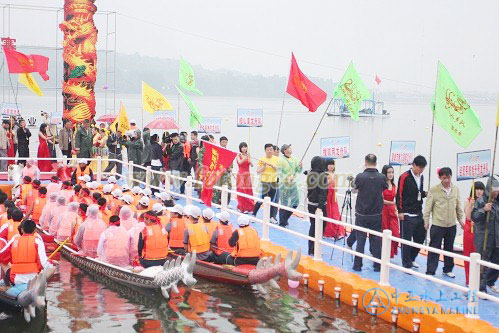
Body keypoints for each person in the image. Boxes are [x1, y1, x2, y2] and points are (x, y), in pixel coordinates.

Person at [424, 167, 464, 277]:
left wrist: (461, 220)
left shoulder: (455, 189)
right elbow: (428, 208)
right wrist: (426, 221)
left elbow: (458, 206)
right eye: (444, 178)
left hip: (451, 224)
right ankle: (430, 270)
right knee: (434, 248)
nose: (447, 180)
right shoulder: (434, 190)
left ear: (451, 176)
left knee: (449, 248)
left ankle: (447, 269)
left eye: (449, 177)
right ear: (440, 178)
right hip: (438, 224)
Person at [351, 154, 387, 272]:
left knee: (360, 241)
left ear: (365, 162)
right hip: (376, 214)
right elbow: (384, 188)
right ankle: (377, 266)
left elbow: (354, 190)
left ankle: (357, 265)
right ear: (376, 163)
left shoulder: (360, 176)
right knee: (376, 241)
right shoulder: (382, 177)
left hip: (362, 213)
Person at [396, 155, 427, 269]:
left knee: (420, 238)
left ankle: (412, 258)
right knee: (406, 240)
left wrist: (425, 194)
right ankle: (406, 263)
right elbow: (399, 194)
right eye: (419, 167)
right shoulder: (404, 176)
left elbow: (418, 193)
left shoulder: (421, 177)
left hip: (418, 212)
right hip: (407, 213)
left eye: (423, 168)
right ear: (413, 165)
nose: (421, 170)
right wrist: (400, 211)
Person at [0, 220, 50, 286]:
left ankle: (7, 285)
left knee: (2, 261)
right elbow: (44, 263)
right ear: (34, 230)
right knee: (51, 267)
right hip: (34, 278)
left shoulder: (14, 240)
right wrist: (51, 263)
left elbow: (2, 256)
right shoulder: (38, 241)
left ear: (22, 230)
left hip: (16, 279)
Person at [473, 177, 499, 293]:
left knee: (496, 261)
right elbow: (474, 217)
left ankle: (489, 281)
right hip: (484, 237)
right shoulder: (482, 200)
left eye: (498, 189)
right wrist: (483, 209)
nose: (496, 192)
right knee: (484, 262)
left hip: (496, 237)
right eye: (494, 189)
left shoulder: (497, 202)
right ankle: (481, 287)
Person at [463, 181, 485, 286]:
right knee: (468, 254)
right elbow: (467, 217)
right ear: (473, 189)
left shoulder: (485, 202)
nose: (479, 191)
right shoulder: (468, 200)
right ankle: (469, 280)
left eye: (481, 189)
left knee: (480, 255)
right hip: (469, 230)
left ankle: (479, 281)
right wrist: (470, 206)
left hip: (480, 230)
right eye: (477, 189)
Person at [305, 156, 328, 256]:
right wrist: (320, 206)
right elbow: (323, 192)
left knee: (313, 225)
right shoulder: (322, 176)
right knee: (320, 226)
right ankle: (315, 249)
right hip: (319, 205)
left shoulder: (311, 174)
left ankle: (311, 249)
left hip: (311, 203)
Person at [277, 144, 302, 227]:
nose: (290, 149)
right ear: (284, 150)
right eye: (289, 148)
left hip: (293, 184)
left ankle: (285, 218)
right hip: (284, 184)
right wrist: (287, 178)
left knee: (296, 202)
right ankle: (282, 222)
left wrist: (300, 167)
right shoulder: (280, 160)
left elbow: (298, 170)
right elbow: (279, 173)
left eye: (290, 148)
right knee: (284, 203)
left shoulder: (294, 159)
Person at [252, 144, 279, 223]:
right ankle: (254, 215)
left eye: (271, 149)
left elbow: (280, 170)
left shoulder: (277, 159)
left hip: (273, 182)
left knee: (272, 201)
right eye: (268, 149)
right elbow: (258, 171)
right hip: (264, 182)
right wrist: (264, 165)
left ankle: (271, 217)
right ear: (265, 150)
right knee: (260, 200)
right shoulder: (262, 159)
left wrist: (274, 166)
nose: (270, 151)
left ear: (273, 150)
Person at [323, 158, 345, 239]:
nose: (331, 166)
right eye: (330, 164)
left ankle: (337, 231)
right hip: (327, 195)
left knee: (335, 212)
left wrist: (335, 188)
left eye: (332, 164)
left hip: (333, 196)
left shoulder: (333, 174)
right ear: (326, 165)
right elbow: (324, 185)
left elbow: (334, 184)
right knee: (329, 212)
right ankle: (330, 232)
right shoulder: (325, 174)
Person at [381, 165, 400, 258]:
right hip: (384, 211)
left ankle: (391, 252)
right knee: (385, 232)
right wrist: (393, 202)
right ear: (385, 173)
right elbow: (381, 200)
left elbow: (397, 199)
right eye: (389, 172)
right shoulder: (381, 185)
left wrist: (397, 206)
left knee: (396, 233)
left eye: (392, 172)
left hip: (392, 211)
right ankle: (386, 254)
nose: (391, 174)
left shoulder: (394, 185)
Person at [213, 136, 232, 205]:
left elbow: (230, 161)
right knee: (218, 188)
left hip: (227, 173)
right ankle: (218, 203)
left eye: (226, 142)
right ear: (220, 142)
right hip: (219, 172)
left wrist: (230, 168)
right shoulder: (217, 151)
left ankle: (227, 203)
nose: (224, 143)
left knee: (228, 187)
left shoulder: (229, 152)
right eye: (223, 142)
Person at [236, 142, 255, 213]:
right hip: (241, 175)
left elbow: (252, 165)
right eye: (243, 147)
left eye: (245, 147)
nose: (244, 148)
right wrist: (245, 158)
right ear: (240, 148)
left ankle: (249, 207)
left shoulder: (248, 155)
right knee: (241, 191)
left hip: (247, 175)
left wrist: (250, 160)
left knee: (248, 191)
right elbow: (240, 163)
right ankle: (242, 207)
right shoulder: (238, 155)